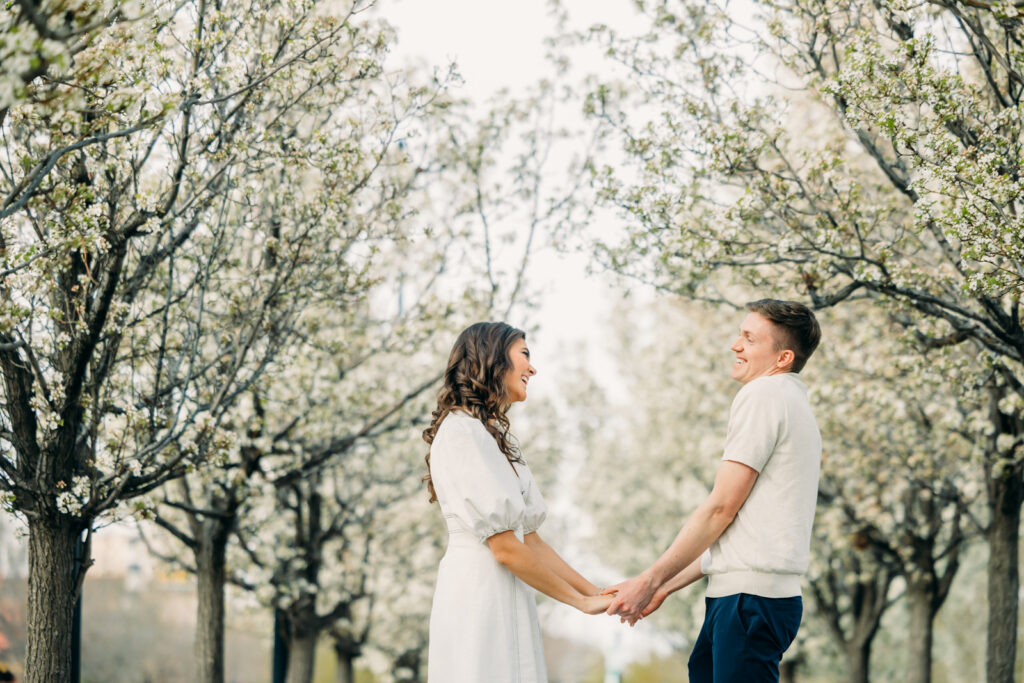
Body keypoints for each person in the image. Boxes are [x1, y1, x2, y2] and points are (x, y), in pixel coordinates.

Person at [605, 299, 822, 683]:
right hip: (747, 598)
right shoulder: (791, 400)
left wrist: (650, 579)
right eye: (740, 334)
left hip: (748, 604)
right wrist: (667, 585)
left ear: (782, 357)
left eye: (750, 339)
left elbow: (721, 508)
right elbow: (740, 528)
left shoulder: (765, 395)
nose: (735, 345)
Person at [424, 322, 612, 683]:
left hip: (506, 591)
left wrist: (595, 592)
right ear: (492, 357)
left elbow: (530, 541)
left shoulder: (491, 438)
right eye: (525, 354)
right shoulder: (461, 432)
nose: (532, 368)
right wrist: (581, 604)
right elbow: (505, 548)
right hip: (478, 595)